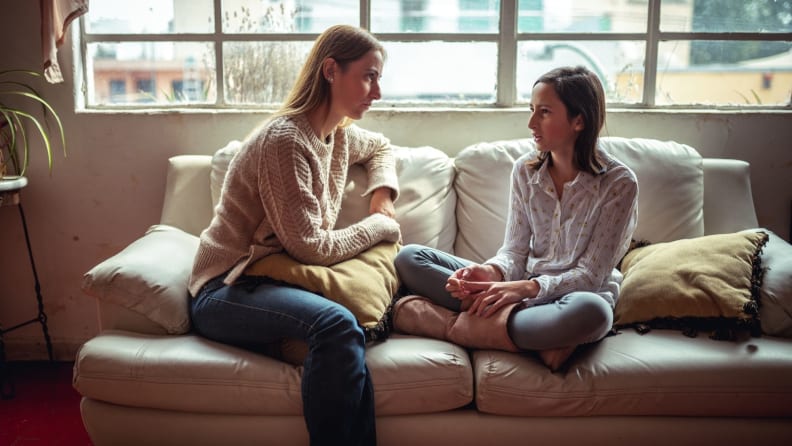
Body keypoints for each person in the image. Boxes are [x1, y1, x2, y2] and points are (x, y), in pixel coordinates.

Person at [188, 25, 400, 446]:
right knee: (337, 325)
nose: (377, 91)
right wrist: (382, 227)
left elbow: (381, 147)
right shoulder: (285, 141)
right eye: (369, 76)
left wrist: (382, 196)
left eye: (378, 78)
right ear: (330, 71)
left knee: (349, 331)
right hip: (226, 286)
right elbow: (312, 247)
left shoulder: (336, 133)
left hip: (274, 278)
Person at [394, 66, 639, 371]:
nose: (531, 123)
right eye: (532, 110)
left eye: (545, 112)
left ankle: (451, 325)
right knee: (410, 258)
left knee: (593, 314)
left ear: (579, 120)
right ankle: (529, 336)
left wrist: (523, 290)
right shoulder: (525, 171)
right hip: (516, 290)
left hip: (572, 297)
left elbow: (589, 276)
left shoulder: (618, 184)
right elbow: (515, 250)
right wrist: (490, 273)